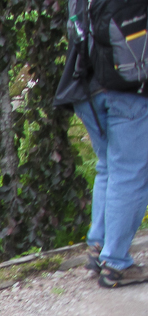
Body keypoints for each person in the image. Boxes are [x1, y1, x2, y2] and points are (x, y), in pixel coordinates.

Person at [55, 11, 148, 288]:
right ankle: (116, 263)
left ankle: (99, 247)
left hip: (85, 87)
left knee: (108, 167)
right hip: (127, 91)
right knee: (130, 173)